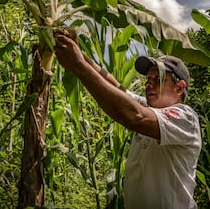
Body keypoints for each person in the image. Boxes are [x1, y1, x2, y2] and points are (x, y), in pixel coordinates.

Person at [54, 28, 201, 209]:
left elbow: (133, 116)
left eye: (158, 79)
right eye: (148, 78)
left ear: (179, 88)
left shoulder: (185, 118)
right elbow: (116, 88)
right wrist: (78, 52)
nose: (148, 84)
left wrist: (78, 65)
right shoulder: (149, 109)